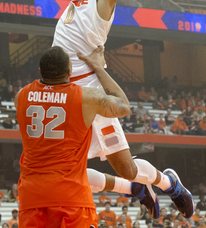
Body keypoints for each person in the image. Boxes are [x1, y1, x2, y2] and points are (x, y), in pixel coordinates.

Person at [51, 0, 194, 219]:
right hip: (67, 99)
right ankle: (136, 190)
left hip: (92, 96)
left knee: (127, 168)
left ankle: (170, 184)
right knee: (62, 173)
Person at [15, 46, 131, 226]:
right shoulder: (85, 98)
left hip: (32, 196)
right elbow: (123, 106)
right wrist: (98, 67)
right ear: (70, 71)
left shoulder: (21, 96)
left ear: (40, 71)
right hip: (71, 196)